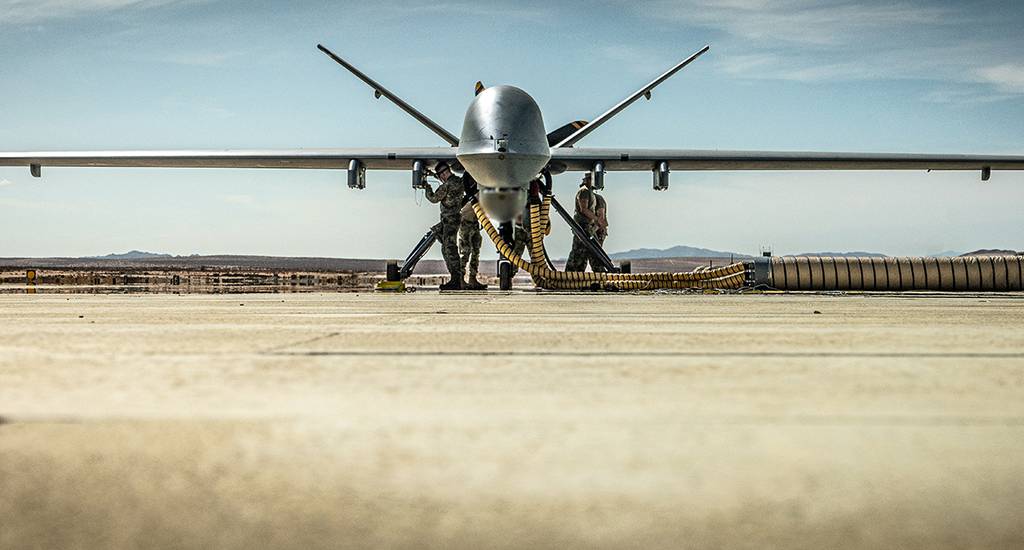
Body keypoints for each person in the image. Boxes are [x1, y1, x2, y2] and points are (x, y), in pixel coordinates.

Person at [424, 161, 465, 290]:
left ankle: (455, 280)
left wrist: (427, 187)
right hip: (455, 218)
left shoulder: (446, 186)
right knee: (447, 246)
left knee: (449, 249)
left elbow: (433, 198)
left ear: (444, 173)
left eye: (440, 175)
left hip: (449, 219)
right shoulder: (458, 182)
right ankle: (457, 279)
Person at [565, 173, 606, 272]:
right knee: (579, 254)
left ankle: (578, 276)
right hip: (583, 227)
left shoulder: (590, 193)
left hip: (588, 227)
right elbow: (584, 209)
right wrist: (597, 220)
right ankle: (570, 276)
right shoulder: (584, 191)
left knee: (587, 254)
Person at [458, 201, 488, 290]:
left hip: (474, 224)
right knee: (465, 251)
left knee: (476, 251)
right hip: (465, 223)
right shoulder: (474, 193)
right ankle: (460, 279)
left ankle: (472, 278)